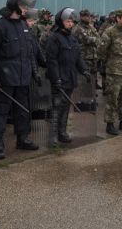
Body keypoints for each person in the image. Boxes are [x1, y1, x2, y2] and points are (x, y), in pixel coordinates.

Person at [0, 0, 40, 160]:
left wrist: (34, 72)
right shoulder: (0, 27)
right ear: (14, 6)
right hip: (5, 79)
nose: (25, 9)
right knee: (1, 111)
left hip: (23, 78)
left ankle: (22, 139)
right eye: (23, 6)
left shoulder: (24, 25)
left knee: (22, 110)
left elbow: (29, 53)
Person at [45, 8, 90, 147]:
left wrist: (84, 70)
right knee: (56, 107)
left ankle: (62, 132)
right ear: (61, 21)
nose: (71, 24)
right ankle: (53, 136)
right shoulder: (54, 38)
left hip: (70, 78)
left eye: (72, 21)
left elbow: (78, 57)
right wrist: (56, 78)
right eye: (68, 21)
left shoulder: (72, 38)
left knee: (65, 107)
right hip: (59, 79)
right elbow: (51, 60)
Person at [97, 9, 122, 135]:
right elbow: (101, 50)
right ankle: (110, 123)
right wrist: (109, 63)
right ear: (118, 18)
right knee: (112, 99)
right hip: (114, 72)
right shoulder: (110, 32)